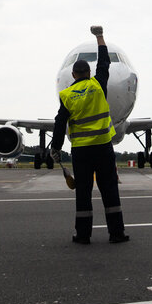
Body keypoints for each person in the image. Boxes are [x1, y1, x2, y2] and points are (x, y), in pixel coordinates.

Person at [51, 25, 129, 245]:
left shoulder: (67, 95)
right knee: (110, 191)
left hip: (81, 152)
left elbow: (59, 122)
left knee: (83, 194)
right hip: (104, 148)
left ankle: (83, 235)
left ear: (74, 75)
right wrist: (100, 37)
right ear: (89, 73)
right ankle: (116, 234)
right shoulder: (98, 85)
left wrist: (55, 148)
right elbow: (104, 63)